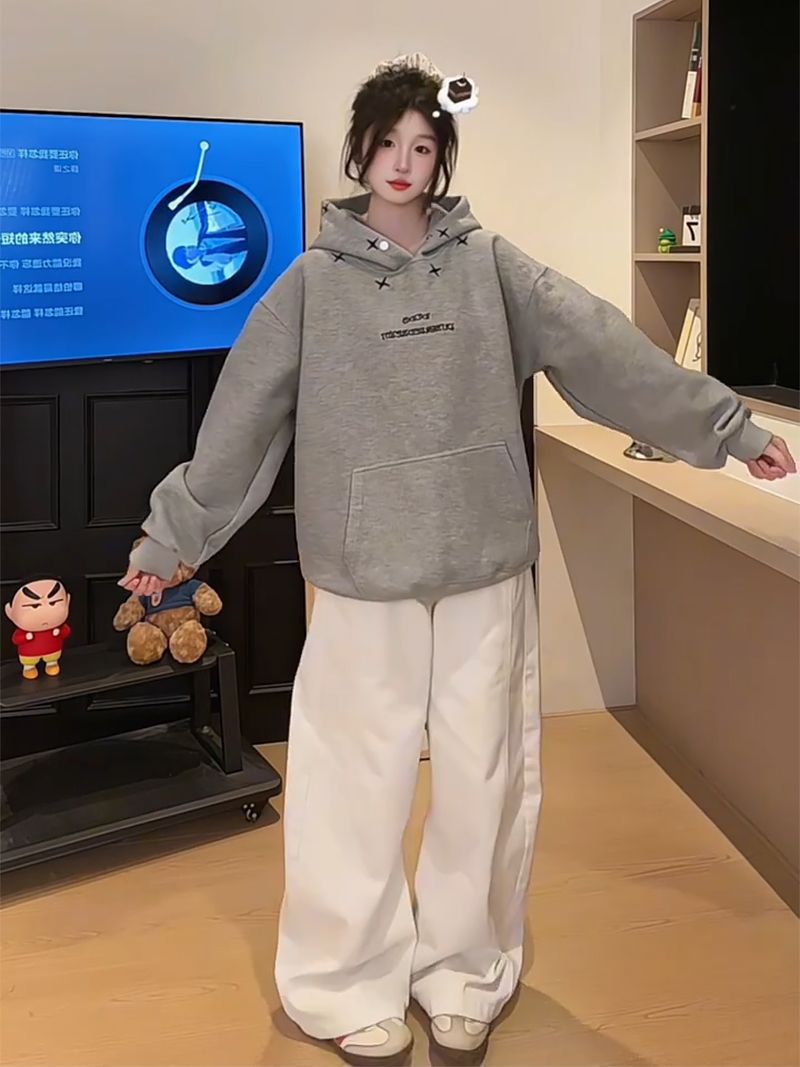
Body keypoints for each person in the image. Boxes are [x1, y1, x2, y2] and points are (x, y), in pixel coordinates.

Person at [119, 54, 796, 1066]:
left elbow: (603, 350)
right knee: (353, 784)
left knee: (485, 777)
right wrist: (171, 539)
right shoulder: (308, 286)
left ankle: (465, 973)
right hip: (361, 574)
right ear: (359, 152)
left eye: (423, 145)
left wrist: (727, 427)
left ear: (441, 159)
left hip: (484, 561)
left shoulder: (490, 266)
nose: (403, 162)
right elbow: (238, 428)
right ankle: (343, 982)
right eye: (386, 143)